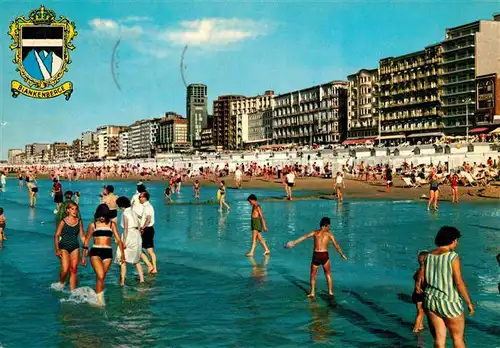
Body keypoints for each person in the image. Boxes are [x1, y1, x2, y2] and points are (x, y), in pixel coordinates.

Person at [415, 226, 474, 348]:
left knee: (439, 338)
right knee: (457, 339)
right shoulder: (453, 257)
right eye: (456, 240)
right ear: (452, 240)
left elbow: (422, 278)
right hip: (449, 301)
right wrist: (468, 302)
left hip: (431, 300)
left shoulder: (428, 256)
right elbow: (458, 282)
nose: (457, 243)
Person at [285, 217, 347, 297]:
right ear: (326, 225)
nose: (329, 228)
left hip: (316, 255)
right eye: (329, 226)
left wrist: (294, 242)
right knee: (328, 274)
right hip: (324, 255)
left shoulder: (315, 232)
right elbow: (337, 246)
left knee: (313, 275)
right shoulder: (329, 234)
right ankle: (330, 292)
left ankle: (312, 292)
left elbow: (304, 237)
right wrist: (342, 254)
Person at [81, 204, 125, 306]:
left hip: (108, 253)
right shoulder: (93, 225)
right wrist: (83, 256)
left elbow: (118, 240)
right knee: (100, 276)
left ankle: (97, 299)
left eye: (103, 215)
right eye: (100, 215)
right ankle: (100, 301)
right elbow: (87, 241)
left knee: (101, 277)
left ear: (107, 215)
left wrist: (123, 254)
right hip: (95, 252)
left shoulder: (111, 225)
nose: (101, 218)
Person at [54, 202, 85, 291]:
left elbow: (82, 236)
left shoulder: (79, 221)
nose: (74, 211)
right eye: (72, 209)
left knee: (74, 269)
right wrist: (57, 249)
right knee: (65, 269)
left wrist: (86, 247)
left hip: (75, 246)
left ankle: (72, 291)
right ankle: (61, 283)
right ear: (68, 210)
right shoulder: (63, 222)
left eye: (76, 209)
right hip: (64, 246)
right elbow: (57, 235)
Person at [115, 196, 144, 285]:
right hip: (137, 235)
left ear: (121, 206)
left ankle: (122, 281)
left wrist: (123, 241)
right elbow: (139, 226)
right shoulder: (133, 211)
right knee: (137, 259)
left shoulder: (125, 214)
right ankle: (142, 279)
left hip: (129, 235)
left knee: (122, 258)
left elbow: (125, 229)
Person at [138, 191, 158, 274]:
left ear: (144, 198)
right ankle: (154, 268)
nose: (139, 198)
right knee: (150, 251)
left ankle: (150, 265)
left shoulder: (147, 207)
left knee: (139, 250)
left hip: (146, 230)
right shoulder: (147, 206)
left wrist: (142, 228)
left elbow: (148, 219)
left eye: (140, 197)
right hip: (149, 229)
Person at [412, 250, 429, 333]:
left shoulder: (418, 270)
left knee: (419, 311)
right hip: (420, 294)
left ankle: (420, 325)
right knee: (421, 313)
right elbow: (419, 284)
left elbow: (416, 281)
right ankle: (415, 328)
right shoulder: (424, 272)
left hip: (415, 294)